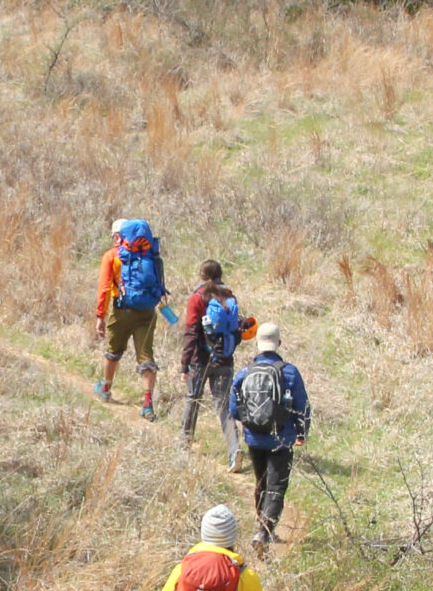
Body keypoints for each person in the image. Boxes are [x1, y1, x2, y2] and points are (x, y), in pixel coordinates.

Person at [229, 323, 309, 550]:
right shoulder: (290, 372)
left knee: (261, 481)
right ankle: (264, 532)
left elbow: (234, 409)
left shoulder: (245, 372)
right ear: (279, 344)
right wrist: (301, 433)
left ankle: (260, 527)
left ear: (258, 344)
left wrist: (249, 422)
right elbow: (302, 406)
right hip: (281, 439)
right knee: (277, 486)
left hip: (254, 438)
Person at [179, 261, 251, 467]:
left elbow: (191, 332)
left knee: (193, 400)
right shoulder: (229, 296)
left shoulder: (197, 298)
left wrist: (185, 364)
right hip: (225, 360)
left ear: (202, 276)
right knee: (224, 406)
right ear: (220, 274)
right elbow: (236, 331)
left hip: (200, 361)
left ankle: (184, 445)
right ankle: (234, 449)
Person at [95, 217, 168, 419]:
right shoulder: (150, 256)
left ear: (118, 236)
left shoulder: (112, 256)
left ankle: (106, 387)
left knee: (114, 350)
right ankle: (147, 404)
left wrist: (100, 315)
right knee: (146, 357)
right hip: (147, 311)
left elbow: (104, 288)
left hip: (122, 310)